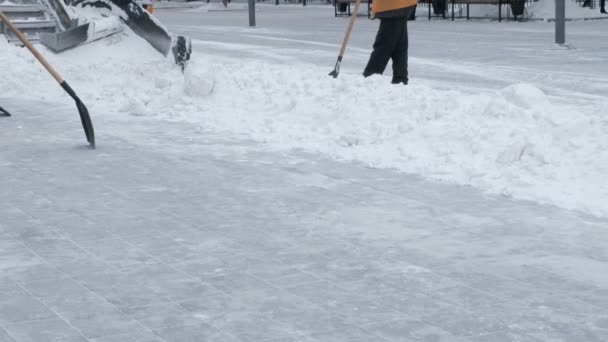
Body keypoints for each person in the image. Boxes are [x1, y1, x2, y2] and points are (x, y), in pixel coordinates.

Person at [363, 0, 418, 85]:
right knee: (399, 48)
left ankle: (369, 79)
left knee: (382, 49)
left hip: (392, 7)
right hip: (404, 6)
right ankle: (400, 80)